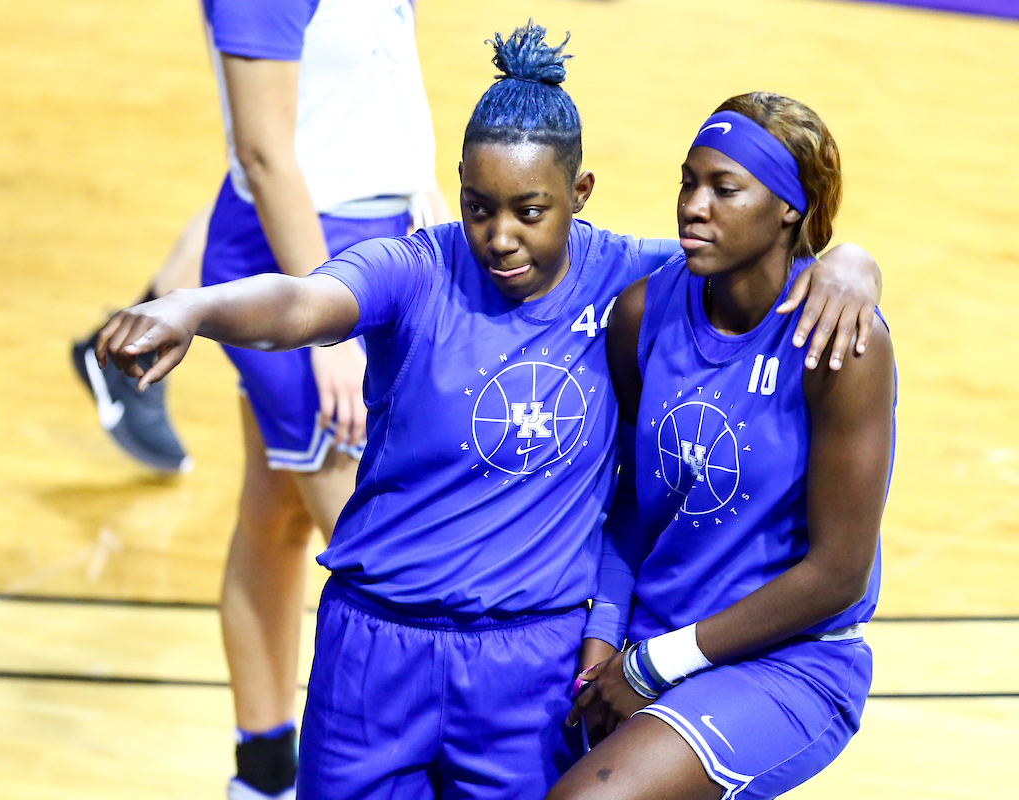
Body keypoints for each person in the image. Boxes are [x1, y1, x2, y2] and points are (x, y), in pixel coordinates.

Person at [95, 24, 881, 800]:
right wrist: (192, 307)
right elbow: (301, 302)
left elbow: (768, 266)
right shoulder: (417, 267)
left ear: (579, 196)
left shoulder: (634, 284)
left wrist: (851, 261)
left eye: (529, 212)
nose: (499, 237)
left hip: (528, 669)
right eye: (478, 207)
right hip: (374, 654)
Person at [77, 1, 448, 797]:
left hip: (387, 236)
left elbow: (375, 88)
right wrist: (330, 327)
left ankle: (262, 774)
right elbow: (265, 150)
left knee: (276, 514)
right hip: (310, 262)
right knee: (387, 558)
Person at [556, 93, 895, 800]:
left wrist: (651, 668)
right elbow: (627, 501)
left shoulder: (840, 343)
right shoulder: (643, 312)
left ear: (789, 211)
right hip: (648, 638)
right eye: (688, 181)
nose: (693, 205)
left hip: (786, 661)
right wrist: (606, 634)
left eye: (724, 188)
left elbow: (839, 574)